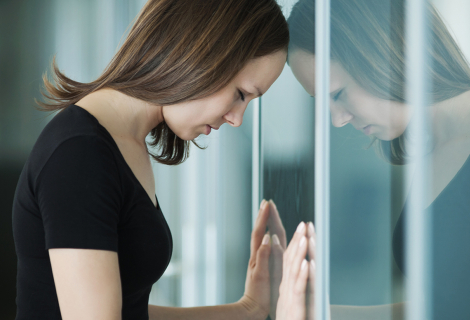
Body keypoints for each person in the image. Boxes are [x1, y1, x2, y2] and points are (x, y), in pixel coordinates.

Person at [277, 0, 470, 319]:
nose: (337, 120)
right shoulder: (441, 147)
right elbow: (444, 308)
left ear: (383, 55)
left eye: (337, 94)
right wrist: (315, 314)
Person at [11, 0, 291, 319]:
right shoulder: (80, 156)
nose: (237, 118)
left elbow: (130, 312)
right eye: (240, 94)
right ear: (198, 53)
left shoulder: (119, 143)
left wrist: (249, 310)